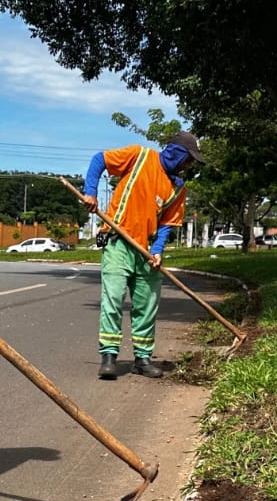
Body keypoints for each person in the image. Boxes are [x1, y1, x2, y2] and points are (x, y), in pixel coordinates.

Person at [81, 132, 204, 380]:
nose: (188, 166)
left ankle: (142, 359)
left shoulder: (178, 188)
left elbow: (168, 223)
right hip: (118, 242)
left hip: (146, 251)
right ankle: (108, 356)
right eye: (188, 160)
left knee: (146, 305)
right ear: (176, 153)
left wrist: (157, 251)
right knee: (113, 300)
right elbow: (99, 160)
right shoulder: (139, 156)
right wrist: (91, 192)